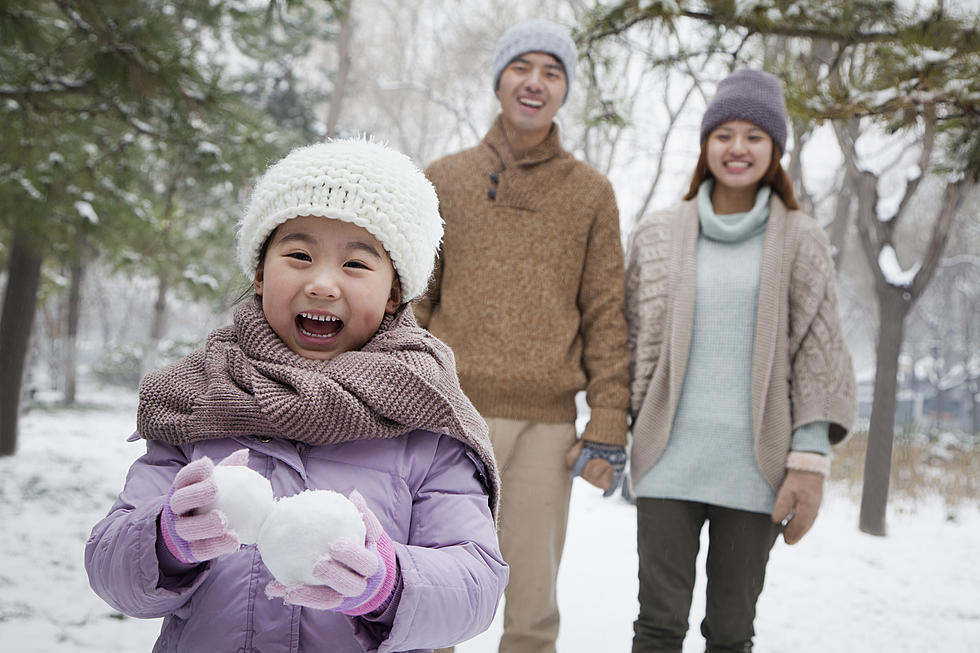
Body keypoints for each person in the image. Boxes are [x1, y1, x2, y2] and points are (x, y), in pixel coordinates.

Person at [85, 139, 508, 653]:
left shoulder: (426, 418)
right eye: (299, 256)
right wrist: (166, 538)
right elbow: (110, 566)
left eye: (356, 264)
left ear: (395, 291)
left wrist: (386, 584)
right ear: (261, 275)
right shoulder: (198, 398)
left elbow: (477, 583)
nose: (323, 283)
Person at [415, 19, 631, 653]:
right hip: (449, 418)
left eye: (552, 71)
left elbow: (605, 313)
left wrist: (609, 420)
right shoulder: (444, 177)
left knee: (533, 611)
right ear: (500, 80)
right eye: (522, 67)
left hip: (546, 429)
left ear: (564, 91)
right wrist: (408, 391)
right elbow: (415, 300)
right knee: (434, 596)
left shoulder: (591, 193)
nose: (535, 82)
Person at [625, 68, 857, 652]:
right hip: (668, 460)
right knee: (657, 625)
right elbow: (626, 341)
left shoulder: (801, 239)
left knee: (730, 633)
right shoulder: (656, 234)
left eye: (754, 136)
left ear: (775, 149)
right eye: (723, 133)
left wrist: (809, 458)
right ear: (706, 145)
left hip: (756, 468)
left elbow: (819, 351)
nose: (737, 148)